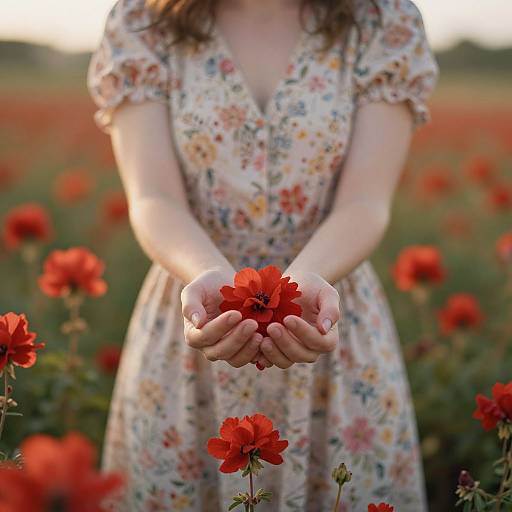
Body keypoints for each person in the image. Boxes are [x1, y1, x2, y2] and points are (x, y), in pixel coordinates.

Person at [87, 0, 438, 509]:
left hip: (326, 311)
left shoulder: (382, 21)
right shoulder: (144, 21)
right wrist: (208, 274)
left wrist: (300, 285)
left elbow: (366, 202)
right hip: (196, 313)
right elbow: (152, 198)